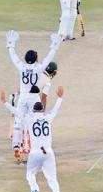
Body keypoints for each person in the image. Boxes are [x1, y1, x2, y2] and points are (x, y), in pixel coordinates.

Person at [6, 30, 61, 162]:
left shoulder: (21, 66)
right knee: (32, 122)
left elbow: (13, 57)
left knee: (18, 123)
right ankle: (30, 148)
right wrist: (54, 45)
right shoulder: (39, 67)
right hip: (33, 97)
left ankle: (16, 147)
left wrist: (10, 44)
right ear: (35, 58)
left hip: (23, 97)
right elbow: (49, 57)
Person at [22, 86, 65, 192]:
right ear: (42, 110)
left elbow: (17, 113)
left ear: (34, 111)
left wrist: (5, 103)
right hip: (48, 152)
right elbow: (55, 110)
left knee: (30, 173)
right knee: (52, 178)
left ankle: (35, 189)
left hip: (35, 152)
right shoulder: (47, 118)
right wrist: (60, 98)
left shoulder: (29, 120)